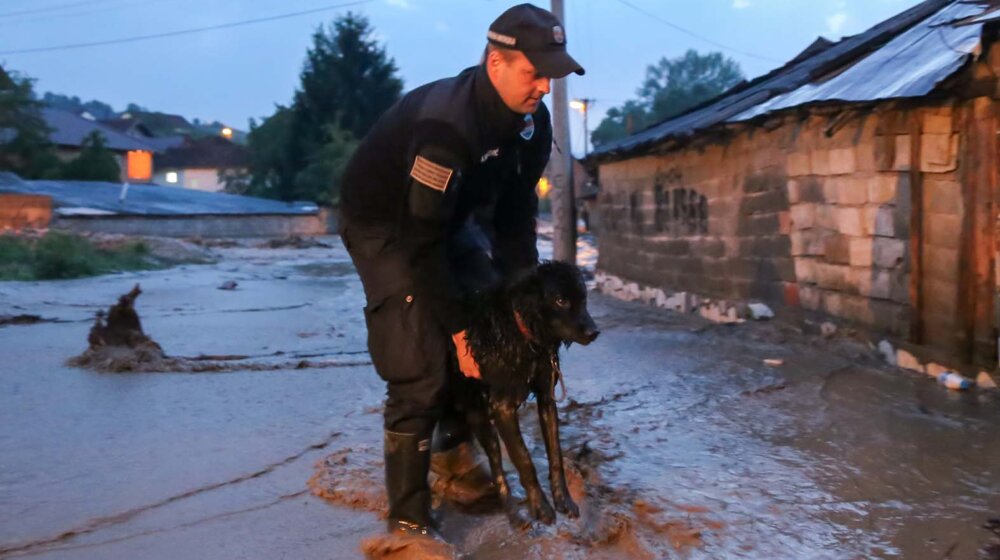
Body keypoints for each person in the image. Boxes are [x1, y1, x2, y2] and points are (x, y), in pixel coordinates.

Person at [339, 3, 584, 541]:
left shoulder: (531, 124)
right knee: (419, 356)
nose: (544, 86)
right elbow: (422, 243)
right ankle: (407, 520)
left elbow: (518, 215)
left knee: (493, 320)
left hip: (457, 218)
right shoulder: (445, 130)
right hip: (387, 224)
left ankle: (451, 450)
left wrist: (524, 303)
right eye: (534, 73)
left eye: (551, 75)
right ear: (496, 62)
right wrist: (456, 331)